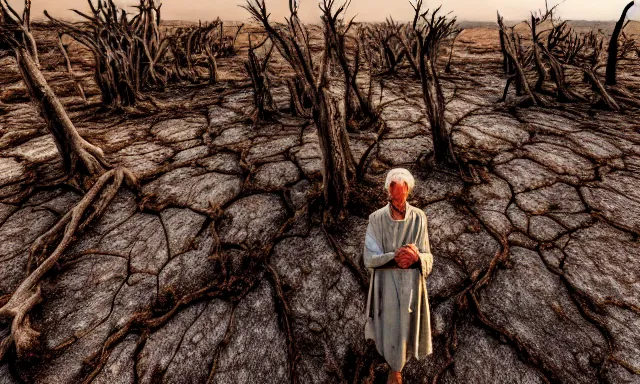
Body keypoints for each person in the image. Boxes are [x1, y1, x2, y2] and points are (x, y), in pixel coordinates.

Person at [363, 168, 434, 384]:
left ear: (408, 190)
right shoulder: (376, 219)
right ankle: (394, 370)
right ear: (388, 189)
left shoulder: (419, 217)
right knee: (390, 324)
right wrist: (395, 257)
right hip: (386, 283)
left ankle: (399, 366)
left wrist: (416, 258)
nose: (399, 193)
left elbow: (427, 254)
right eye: (394, 188)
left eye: (403, 189)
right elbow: (369, 257)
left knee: (408, 324)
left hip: (412, 283)